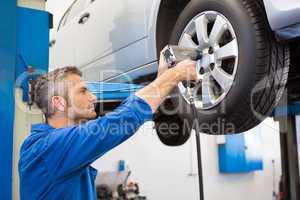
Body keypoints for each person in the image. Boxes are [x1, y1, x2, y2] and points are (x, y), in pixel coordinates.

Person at [18, 51, 196, 200]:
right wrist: (175, 75)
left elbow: (127, 114)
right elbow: (118, 121)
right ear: (59, 103)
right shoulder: (46, 148)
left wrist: (162, 79)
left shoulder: (58, 147)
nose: (93, 97)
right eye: (83, 91)